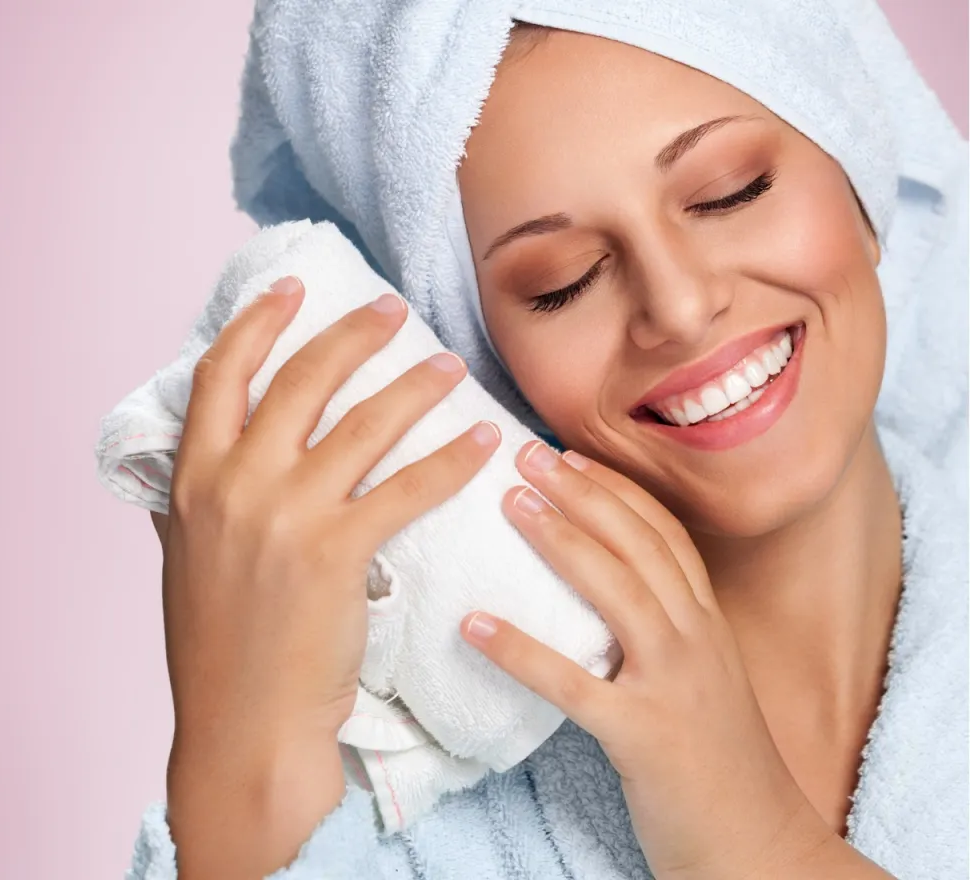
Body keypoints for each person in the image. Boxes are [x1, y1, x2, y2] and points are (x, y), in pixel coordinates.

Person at [127, 2, 968, 878]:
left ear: (861, 174)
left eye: (729, 191)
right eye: (561, 285)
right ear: (487, 362)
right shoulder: (425, 816)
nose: (679, 308)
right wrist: (242, 752)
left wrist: (754, 839)